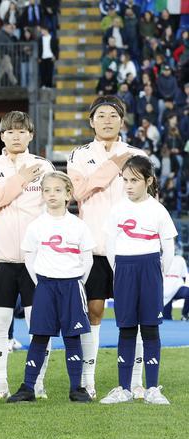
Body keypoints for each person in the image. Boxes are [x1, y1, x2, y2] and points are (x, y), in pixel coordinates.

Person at [67, 95, 147, 399]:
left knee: (133, 314)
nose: (107, 120)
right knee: (94, 310)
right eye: (101, 115)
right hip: (94, 247)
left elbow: (147, 196)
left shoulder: (138, 154)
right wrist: (113, 165)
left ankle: (136, 381)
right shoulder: (79, 154)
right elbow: (78, 191)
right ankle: (88, 380)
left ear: (122, 120)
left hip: (130, 247)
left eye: (113, 115)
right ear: (91, 121)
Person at [0, 111, 55, 399]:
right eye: (10, 131)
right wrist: (20, 180)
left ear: (31, 135)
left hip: (38, 260)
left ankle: (38, 383)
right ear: (2, 136)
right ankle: (1, 383)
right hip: (1, 258)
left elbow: (54, 205)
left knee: (39, 325)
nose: (16, 136)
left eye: (22, 131)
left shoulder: (44, 166)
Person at [7, 172, 95, 403]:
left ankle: (77, 388)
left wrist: (75, 282)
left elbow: (87, 261)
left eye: (57, 190)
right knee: (40, 336)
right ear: (42, 195)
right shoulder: (36, 226)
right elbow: (29, 258)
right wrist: (43, 283)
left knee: (72, 337)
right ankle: (28, 387)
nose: (52, 194)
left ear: (68, 194)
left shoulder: (78, 226)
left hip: (72, 287)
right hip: (45, 286)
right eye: (47, 190)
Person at [100, 157, 179, 405]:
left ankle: (152, 388)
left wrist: (158, 272)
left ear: (149, 181)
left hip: (150, 269)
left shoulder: (158, 210)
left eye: (134, 180)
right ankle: (124, 388)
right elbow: (110, 245)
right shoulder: (117, 209)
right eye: (125, 180)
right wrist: (120, 269)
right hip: (124, 269)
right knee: (126, 328)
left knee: (150, 328)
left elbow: (168, 246)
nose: (129, 185)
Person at [162, 251, 188, 320]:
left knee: (188, 292)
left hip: (177, 286)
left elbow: (184, 276)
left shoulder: (181, 259)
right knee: (166, 318)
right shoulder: (161, 259)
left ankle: (184, 314)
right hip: (165, 286)